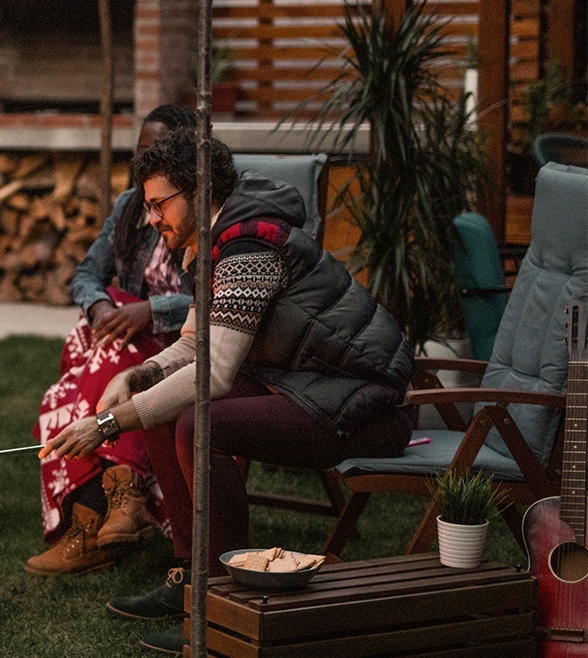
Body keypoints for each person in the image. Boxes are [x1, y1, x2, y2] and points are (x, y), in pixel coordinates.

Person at [39, 129, 413, 654]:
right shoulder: (212, 245)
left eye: (159, 204)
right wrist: (136, 376)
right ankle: (191, 580)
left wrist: (108, 424)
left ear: (198, 191)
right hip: (305, 382)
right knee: (167, 411)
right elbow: (193, 345)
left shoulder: (247, 249)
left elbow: (213, 373)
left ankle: (223, 604)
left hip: (362, 401)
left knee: (200, 423)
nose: (151, 219)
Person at [28, 105, 198, 577]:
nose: (145, 160)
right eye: (141, 151)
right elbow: (87, 274)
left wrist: (150, 310)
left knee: (103, 363)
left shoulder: (203, 217)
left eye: (157, 152)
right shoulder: (129, 207)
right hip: (121, 340)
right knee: (59, 398)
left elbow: (214, 304)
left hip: (176, 348)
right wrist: (101, 307)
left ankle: (93, 521)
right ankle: (113, 504)